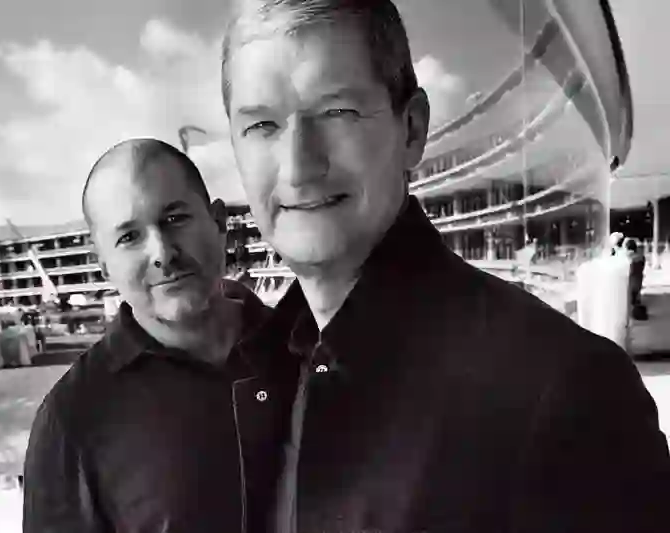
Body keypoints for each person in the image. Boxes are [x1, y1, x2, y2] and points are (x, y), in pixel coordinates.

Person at [223, 0, 670, 531]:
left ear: (412, 129)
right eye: (262, 126)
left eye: (337, 112)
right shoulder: (255, 369)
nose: (298, 167)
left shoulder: (564, 389)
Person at [22, 139, 291, 532]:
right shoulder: (73, 419)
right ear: (104, 265)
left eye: (175, 218)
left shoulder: (305, 351)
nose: (162, 253)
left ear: (219, 223)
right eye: (129, 237)